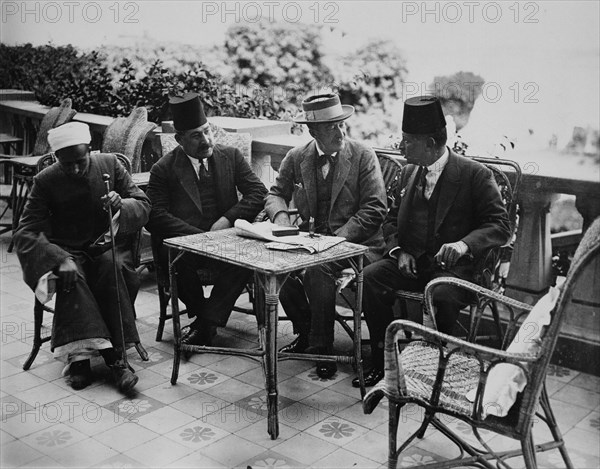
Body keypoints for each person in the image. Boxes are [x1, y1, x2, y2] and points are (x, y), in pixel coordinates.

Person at [356, 96, 511, 388]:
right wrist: (400, 251)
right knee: (370, 280)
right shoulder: (408, 173)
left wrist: (463, 244)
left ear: (429, 143)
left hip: (456, 271)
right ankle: (382, 361)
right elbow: (389, 220)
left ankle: (434, 369)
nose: (400, 148)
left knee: (439, 293)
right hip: (412, 263)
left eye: (407, 142)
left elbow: (501, 225)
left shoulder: (475, 175)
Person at [14, 122, 150, 393]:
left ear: (90, 149)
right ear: (56, 159)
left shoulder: (110, 164)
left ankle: (98, 357)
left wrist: (121, 205)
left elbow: (144, 204)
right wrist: (57, 258)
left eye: (81, 160)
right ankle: (96, 361)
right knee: (71, 276)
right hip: (67, 251)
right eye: (68, 164)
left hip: (105, 246)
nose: (76, 169)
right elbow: (25, 232)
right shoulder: (46, 180)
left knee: (112, 269)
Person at [265, 93, 387, 379]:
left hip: (359, 245)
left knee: (317, 270)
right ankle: (306, 329)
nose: (340, 132)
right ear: (313, 131)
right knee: (272, 265)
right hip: (311, 241)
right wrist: (281, 218)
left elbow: (375, 207)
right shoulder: (298, 157)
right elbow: (275, 195)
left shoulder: (362, 155)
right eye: (331, 127)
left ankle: (324, 349)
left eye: (341, 124)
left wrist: (337, 240)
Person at [146, 92, 267, 347]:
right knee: (175, 262)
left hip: (225, 241)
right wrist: (197, 238)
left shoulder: (230, 156)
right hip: (187, 245)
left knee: (245, 259)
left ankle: (204, 324)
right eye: (196, 135)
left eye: (207, 131)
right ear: (179, 140)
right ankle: (207, 321)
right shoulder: (163, 169)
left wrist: (227, 218)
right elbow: (155, 215)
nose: (206, 140)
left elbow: (258, 192)